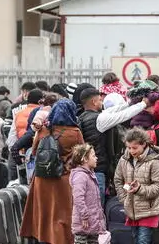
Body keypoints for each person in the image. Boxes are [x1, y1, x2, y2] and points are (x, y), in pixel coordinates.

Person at [20, 99, 85, 244]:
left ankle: (43, 238)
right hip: (64, 178)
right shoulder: (75, 133)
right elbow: (82, 156)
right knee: (62, 214)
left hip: (42, 178)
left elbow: (35, 151)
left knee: (44, 212)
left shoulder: (43, 130)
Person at [113, 127, 159, 244]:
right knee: (136, 239)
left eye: (135, 148)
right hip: (131, 210)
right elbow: (118, 180)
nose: (131, 151)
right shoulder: (124, 160)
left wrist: (140, 189)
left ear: (144, 144)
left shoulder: (155, 161)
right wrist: (123, 198)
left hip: (148, 210)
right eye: (128, 147)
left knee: (143, 241)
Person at [69, 143, 107, 244]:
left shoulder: (90, 175)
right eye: (93, 156)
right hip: (84, 223)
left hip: (92, 222)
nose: (96, 158)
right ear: (85, 159)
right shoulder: (80, 176)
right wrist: (84, 215)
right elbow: (78, 198)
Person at [78, 88, 108, 205]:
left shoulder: (80, 118)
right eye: (100, 100)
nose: (102, 103)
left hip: (85, 168)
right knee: (97, 206)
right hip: (98, 168)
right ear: (94, 102)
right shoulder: (98, 119)